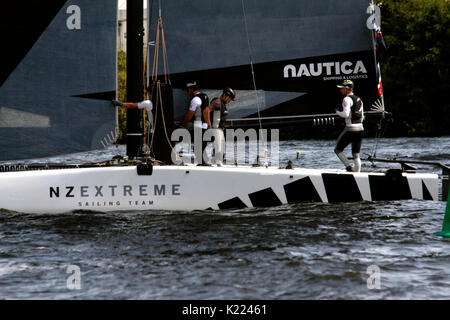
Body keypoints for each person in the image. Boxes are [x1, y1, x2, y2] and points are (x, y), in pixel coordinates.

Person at [334, 80, 364, 172]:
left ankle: (349, 167)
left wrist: (337, 112)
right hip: (360, 128)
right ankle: (358, 174)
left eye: (342, 89)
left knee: (337, 150)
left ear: (347, 89)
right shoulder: (359, 99)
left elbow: (346, 114)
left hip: (350, 129)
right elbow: (362, 116)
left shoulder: (346, 99)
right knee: (356, 154)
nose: (340, 90)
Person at [203, 88, 235, 166]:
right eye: (230, 99)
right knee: (219, 151)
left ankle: (214, 162)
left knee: (220, 150)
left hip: (220, 130)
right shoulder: (217, 102)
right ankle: (218, 165)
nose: (229, 101)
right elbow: (206, 111)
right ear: (226, 96)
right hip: (215, 129)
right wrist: (209, 126)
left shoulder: (222, 104)